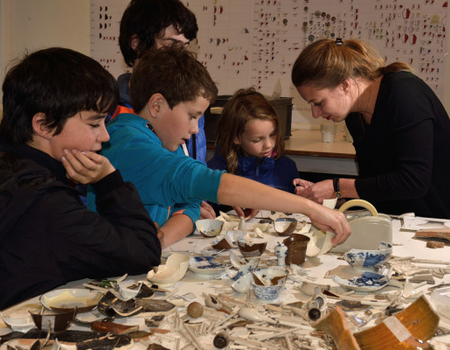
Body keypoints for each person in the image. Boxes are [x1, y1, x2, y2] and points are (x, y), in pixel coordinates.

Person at [88, 44, 351, 248]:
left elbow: (190, 205)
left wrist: (158, 241)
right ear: (156, 106)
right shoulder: (130, 145)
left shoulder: (167, 143)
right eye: (191, 116)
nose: (194, 129)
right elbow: (213, 184)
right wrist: (308, 207)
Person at [0, 47, 161, 310]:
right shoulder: (47, 206)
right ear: (44, 125)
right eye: (94, 123)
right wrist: (109, 182)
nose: (105, 136)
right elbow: (145, 253)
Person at [291, 37, 450, 218]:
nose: (315, 113)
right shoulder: (354, 115)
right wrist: (327, 196)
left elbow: (413, 181)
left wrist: (337, 187)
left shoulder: (405, 94)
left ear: (345, 85)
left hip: (437, 221)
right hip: (396, 220)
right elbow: (376, 185)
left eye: (318, 103)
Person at [113, 0, 215, 221]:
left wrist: (192, 204)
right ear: (137, 43)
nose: (180, 55)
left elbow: (193, 172)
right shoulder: (110, 115)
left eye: (185, 46)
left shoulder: (187, 104)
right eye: (170, 44)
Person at [207, 88, 299, 218]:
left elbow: (294, 213)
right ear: (236, 138)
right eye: (257, 140)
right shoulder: (214, 171)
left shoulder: (286, 168)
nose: (269, 145)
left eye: (272, 134)